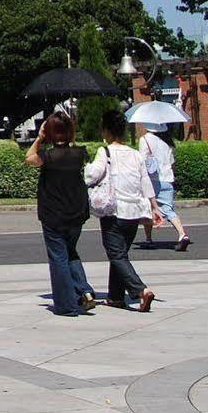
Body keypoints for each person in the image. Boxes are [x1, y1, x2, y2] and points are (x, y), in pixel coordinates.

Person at [24, 111, 96, 316]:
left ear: (50, 132)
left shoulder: (48, 156)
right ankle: (84, 291)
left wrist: (39, 138)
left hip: (54, 213)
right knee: (70, 251)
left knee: (58, 256)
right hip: (77, 211)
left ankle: (67, 304)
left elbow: (28, 158)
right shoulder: (80, 153)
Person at [86, 109, 156, 312]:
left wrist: (85, 170)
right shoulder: (135, 154)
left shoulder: (105, 151)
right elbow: (145, 181)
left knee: (116, 254)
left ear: (106, 130)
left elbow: (93, 175)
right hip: (134, 212)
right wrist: (154, 206)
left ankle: (140, 290)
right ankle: (116, 296)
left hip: (113, 211)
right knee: (121, 253)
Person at [135, 123, 189, 251]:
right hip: (167, 178)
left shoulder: (145, 139)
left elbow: (141, 160)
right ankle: (179, 234)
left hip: (152, 180)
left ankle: (152, 238)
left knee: (150, 207)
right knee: (167, 208)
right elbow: (172, 163)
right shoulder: (167, 142)